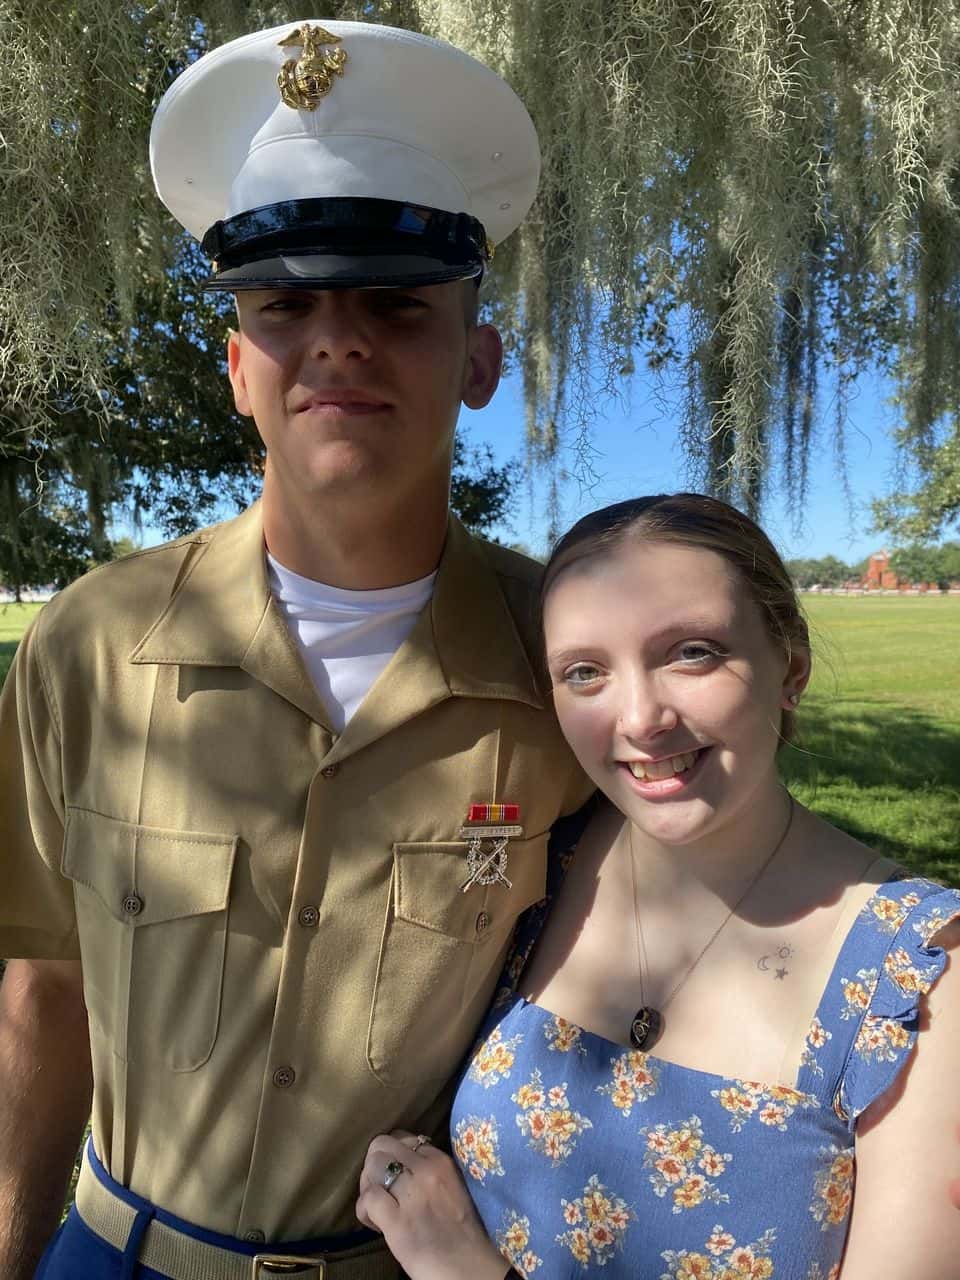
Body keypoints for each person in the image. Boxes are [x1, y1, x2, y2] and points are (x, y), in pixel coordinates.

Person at [0, 20, 590, 1280]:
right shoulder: (89, 645)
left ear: (479, 358)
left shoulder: (571, 670)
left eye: (397, 301)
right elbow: (43, 985)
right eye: (284, 305)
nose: (339, 337)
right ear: (235, 368)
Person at [357, 493, 960, 1279]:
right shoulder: (548, 865)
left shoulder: (917, 978)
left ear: (792, 664)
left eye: (692, 653)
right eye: (585, 672)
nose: (640, 718)